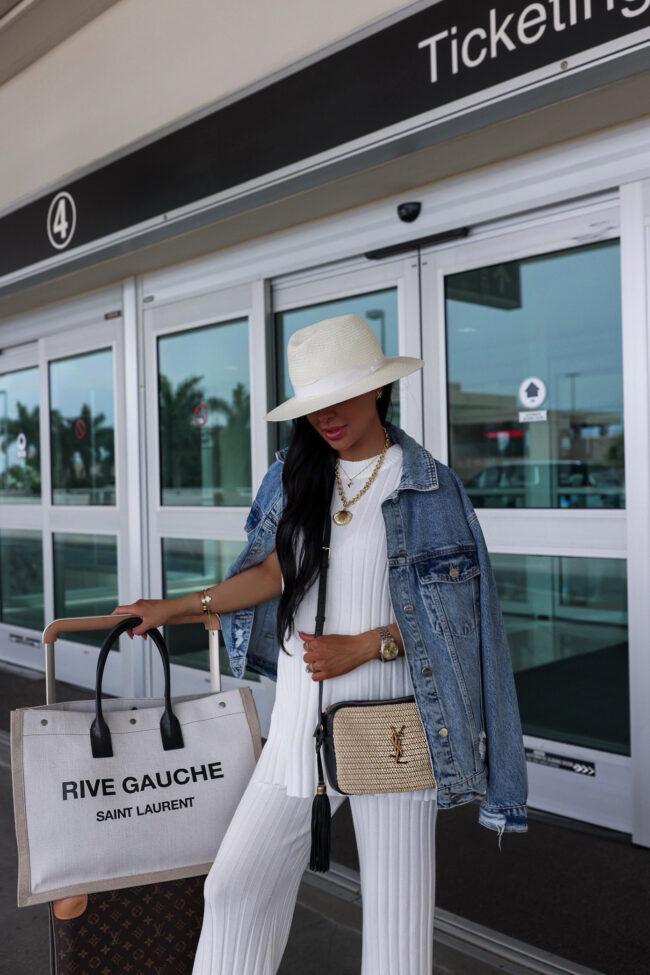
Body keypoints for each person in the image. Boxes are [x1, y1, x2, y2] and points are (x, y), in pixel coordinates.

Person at [114, 313, 527, 975]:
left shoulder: (426, 486)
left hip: (391, 727)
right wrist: (171, 608)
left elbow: (459, 626)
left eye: (339, 398)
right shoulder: (293, 474)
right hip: (299, 723)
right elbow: (274, 570)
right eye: (312, 406)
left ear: (378, 391)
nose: (326, 416)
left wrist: (365, 646)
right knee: (233, 887)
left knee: (394, 935)